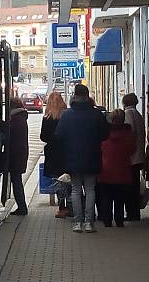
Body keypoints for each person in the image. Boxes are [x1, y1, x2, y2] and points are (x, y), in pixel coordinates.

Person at [55, 84, 109, 233]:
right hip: (92, 157)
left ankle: (77, 222)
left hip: (73, 158)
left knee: (76, 190)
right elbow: (105, 134)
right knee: (91, 189)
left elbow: (58, 135)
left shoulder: (67, 115)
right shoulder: (96, 114)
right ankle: (89, 223)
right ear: (88, 96)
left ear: (74, 96)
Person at [98, 109, 136, 227]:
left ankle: (107, 221)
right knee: (120, 198)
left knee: (106, 198)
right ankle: (119, 220)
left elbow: (99, 149)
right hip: (123, 169)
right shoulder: (128, 133)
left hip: (106, 170)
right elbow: (132, 149)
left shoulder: (104, 133)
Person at [40, 92, 69, 218]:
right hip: (66, 151)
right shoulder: (67, 116)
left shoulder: (47, 118)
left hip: (52, 153)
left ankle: (62, 207)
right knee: (69, 179)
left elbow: (43, 136)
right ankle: (71, 205)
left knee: (58, 180)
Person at [122, 93, 146, 221]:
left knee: (130, 187)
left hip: (132, 157)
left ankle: (132, 213)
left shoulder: (128, 114)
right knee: (135, 186)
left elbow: (129, 133)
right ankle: (135, 212)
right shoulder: (138, 114)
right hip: (139, 156)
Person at [9, 97, 29, 215]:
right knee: (17, 181)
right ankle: (21, 206)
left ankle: (22, 207)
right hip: (20, 154)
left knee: (16, 182)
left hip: (16, 156)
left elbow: (10, 136)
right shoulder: (20, 118)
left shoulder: (16, 120)